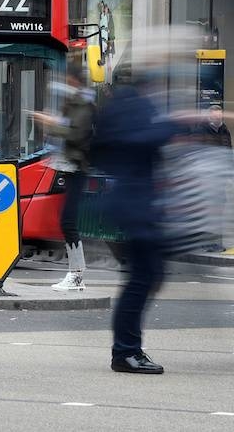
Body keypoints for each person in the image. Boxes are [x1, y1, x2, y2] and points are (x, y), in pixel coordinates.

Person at [90, 63, 182, 375]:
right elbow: (144, 139)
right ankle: (126, 352)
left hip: (136, 207)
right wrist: (174, 125)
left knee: (147, 277)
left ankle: (128, 349)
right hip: (134, 208)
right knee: (141, 280)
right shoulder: (130, 107)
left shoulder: (123, 107)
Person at [34, 63, 97, 292]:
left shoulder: (85, 105)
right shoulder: (75, 103)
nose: (65, 82)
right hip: (70, 166)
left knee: (67, 221)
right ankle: (75, 274)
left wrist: (52, 124)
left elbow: (76, 134)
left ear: (74, 80)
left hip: (77, 167)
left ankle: (77, 275)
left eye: (68, 78)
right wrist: (52, 124)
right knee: (66, 220)